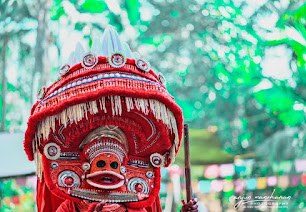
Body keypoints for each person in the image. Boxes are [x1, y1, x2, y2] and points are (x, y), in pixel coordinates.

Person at [24, 25, 198, 212]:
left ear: (122, 169)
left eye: (113, 164)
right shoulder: (71, 206)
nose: (108, 169)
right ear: (87, 167)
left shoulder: (134, 206)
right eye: (101, 163)